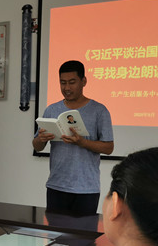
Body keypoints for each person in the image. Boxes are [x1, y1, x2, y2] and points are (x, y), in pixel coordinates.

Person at [32, 60, 114, 215]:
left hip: (86, 189)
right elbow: (37, 146)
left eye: (72, 82)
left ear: (84, 81)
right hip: (56, 185)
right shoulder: (51, 110)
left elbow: (109, 148)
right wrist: (40, 139)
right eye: (62, 83)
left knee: (84, 230)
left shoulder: (99, 111)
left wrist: (82, 142)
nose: (67, 88)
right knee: (55, 230)